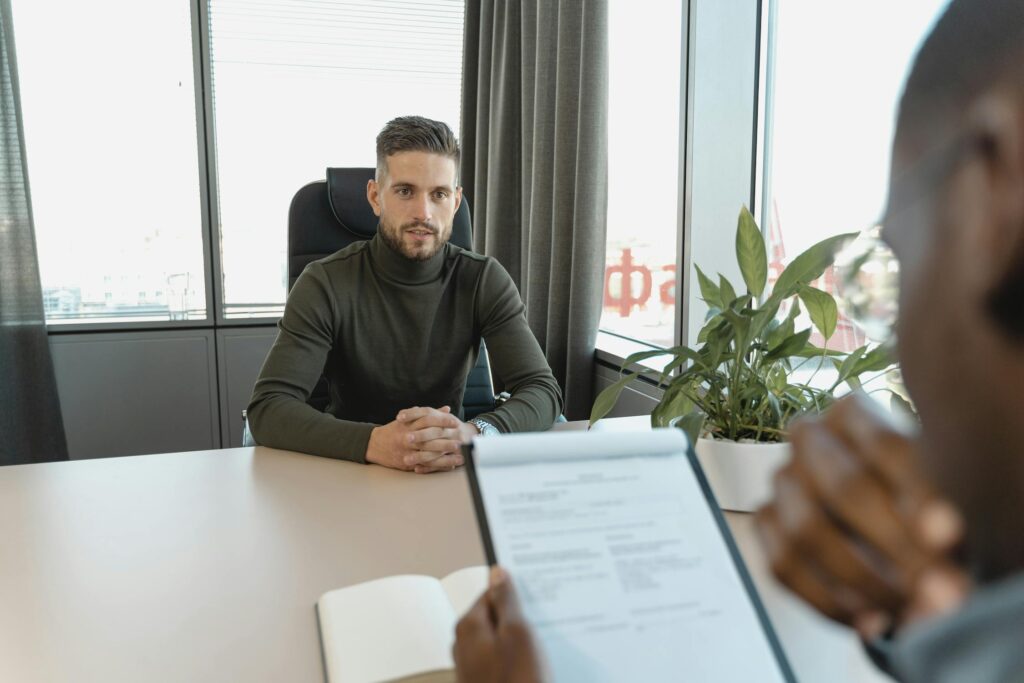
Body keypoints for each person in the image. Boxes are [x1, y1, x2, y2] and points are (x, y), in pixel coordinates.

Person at [452, 0, 1024, 680]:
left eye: (899, 258)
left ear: (993, 193)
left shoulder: (482, 276)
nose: (897, 340)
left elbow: (540, 391)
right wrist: (932, 603)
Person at [247, 116, 562, 472]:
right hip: (350, 470)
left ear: (455, 203)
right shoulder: (324, 282)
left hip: (450, 467)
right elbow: (268, 408)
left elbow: (542, 389)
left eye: (438, 194)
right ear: (375, 196)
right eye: (405, 191)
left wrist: (477, 433)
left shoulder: (483, 278)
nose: (423, 213)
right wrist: (374, 442)